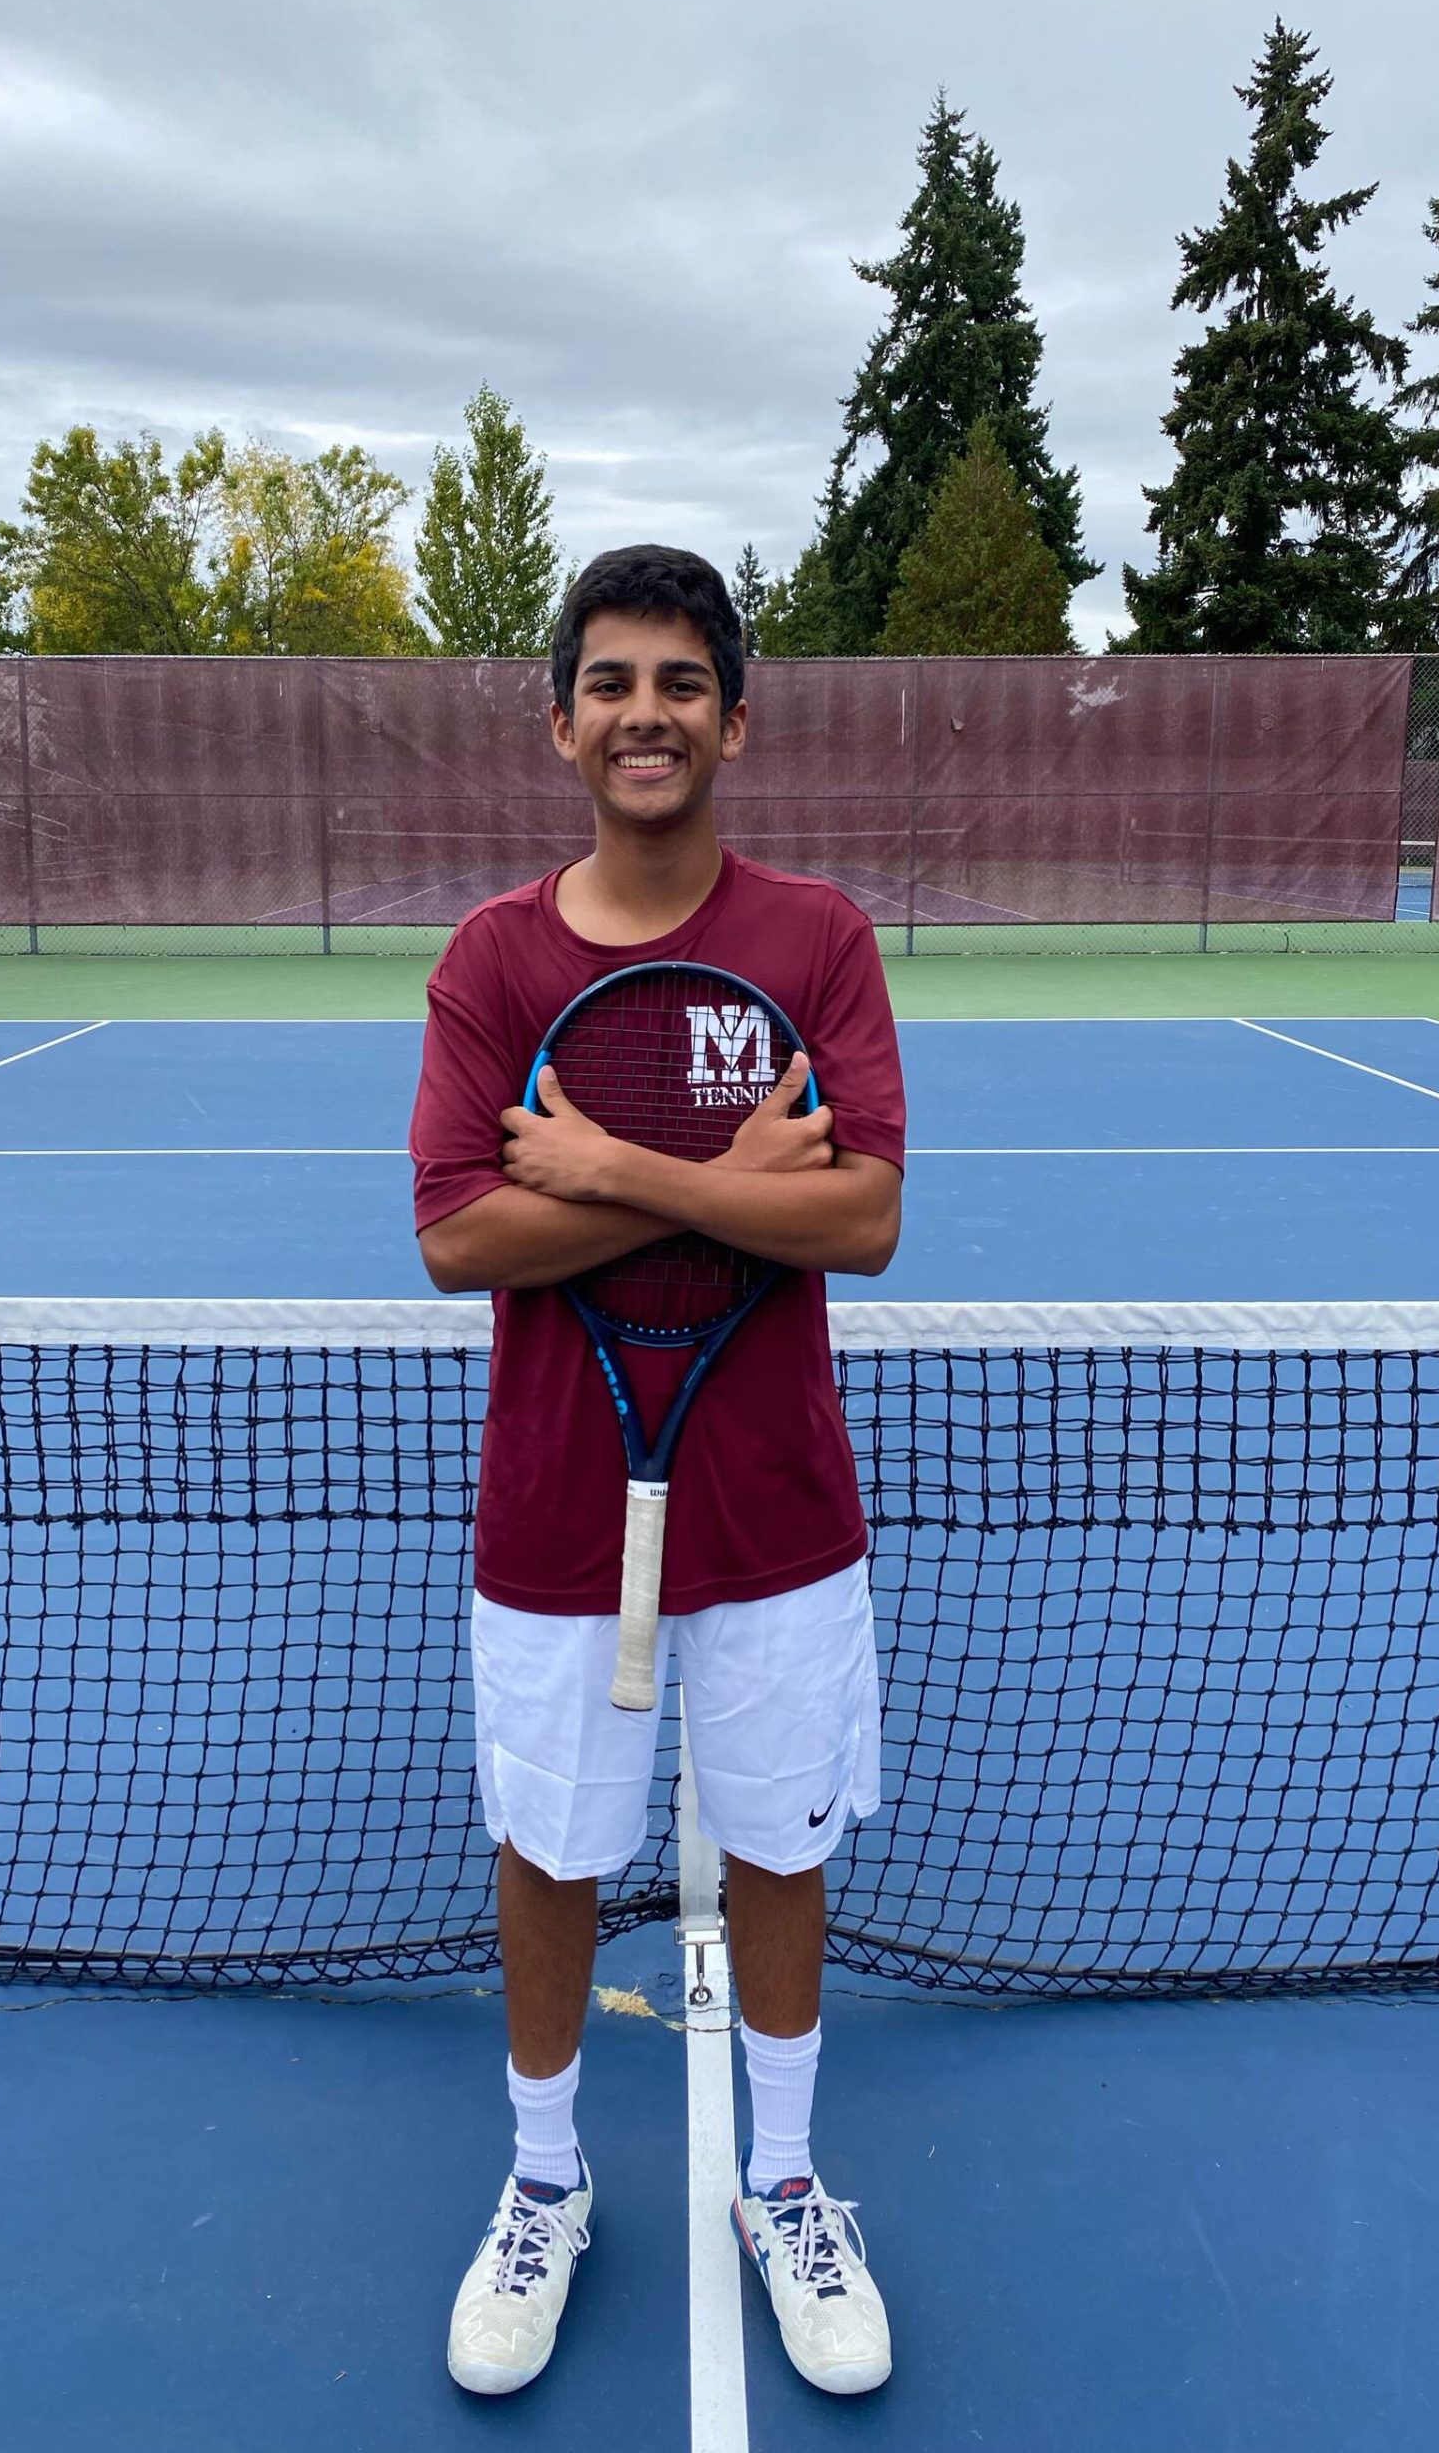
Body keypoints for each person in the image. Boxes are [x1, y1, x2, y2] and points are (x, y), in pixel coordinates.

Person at [409, 544, 906, 2398]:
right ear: (560, 721)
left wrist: (607, 1172)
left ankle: (784, 2181)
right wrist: (731, 1187)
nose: (645, 713)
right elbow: (457, 1238)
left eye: (681, 682)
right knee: (549, 1851)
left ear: (734, 720)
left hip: (777, 1505)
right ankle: (548, 2184)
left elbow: (864, 1218)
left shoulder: (816, 939)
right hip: (555, 1507)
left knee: (778, 1840)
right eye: (610, 681)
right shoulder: (494, 959)